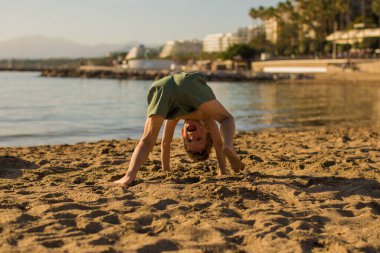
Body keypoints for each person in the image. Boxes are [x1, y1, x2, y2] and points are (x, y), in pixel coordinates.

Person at [114, 72, 245, 186]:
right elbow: (218, 143)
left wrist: (167, 170)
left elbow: (165, 144)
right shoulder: (206, 117)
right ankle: (229, 145)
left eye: (189, 141)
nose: (192, 137)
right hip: (188, 84)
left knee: (147, 139)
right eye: (199, 139)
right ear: (206, 130)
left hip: (164, 87)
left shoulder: (173, 116)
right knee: (226, 118)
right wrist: (223, 170)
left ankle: (129, 176)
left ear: (183, 133)